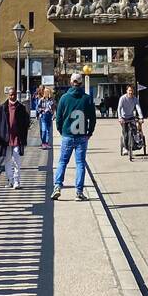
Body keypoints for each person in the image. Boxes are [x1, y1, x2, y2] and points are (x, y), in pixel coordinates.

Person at [51, 73, 97, 201]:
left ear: (71, 82)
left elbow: (58, 118)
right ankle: (79, 192)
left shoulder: (64, 98)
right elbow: (93, 118)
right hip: (82, 136)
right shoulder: (87, 99)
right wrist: (89, 132)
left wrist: (61, 131)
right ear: (81, 83)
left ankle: (57, 186)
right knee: (80, 163)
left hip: (67, 135)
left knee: (62, 162)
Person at [0, 85, 31, 190]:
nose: (12, 96)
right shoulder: (2, 108)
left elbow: (26, 122)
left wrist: (23, 133)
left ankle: (17, 181)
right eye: (10, 95)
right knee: (8, 160)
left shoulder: (21, 108)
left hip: (17, 138)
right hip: (5, 138)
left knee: (16, 160)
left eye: (14, 94)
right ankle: (10, 179)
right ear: (8, 95)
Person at [116, 84, 143, 160]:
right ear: (126, 91)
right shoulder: (123, 98)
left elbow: (138, 108)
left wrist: (141, 117)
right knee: (125, 134)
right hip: (124, 118)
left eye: (132, 91)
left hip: (131, 117)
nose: (130, 92)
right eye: (129, 90)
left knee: (135, 131)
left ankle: (136, 143)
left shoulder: (135, 99)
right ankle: (125, 147)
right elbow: (119, 108)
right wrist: (120, 117)